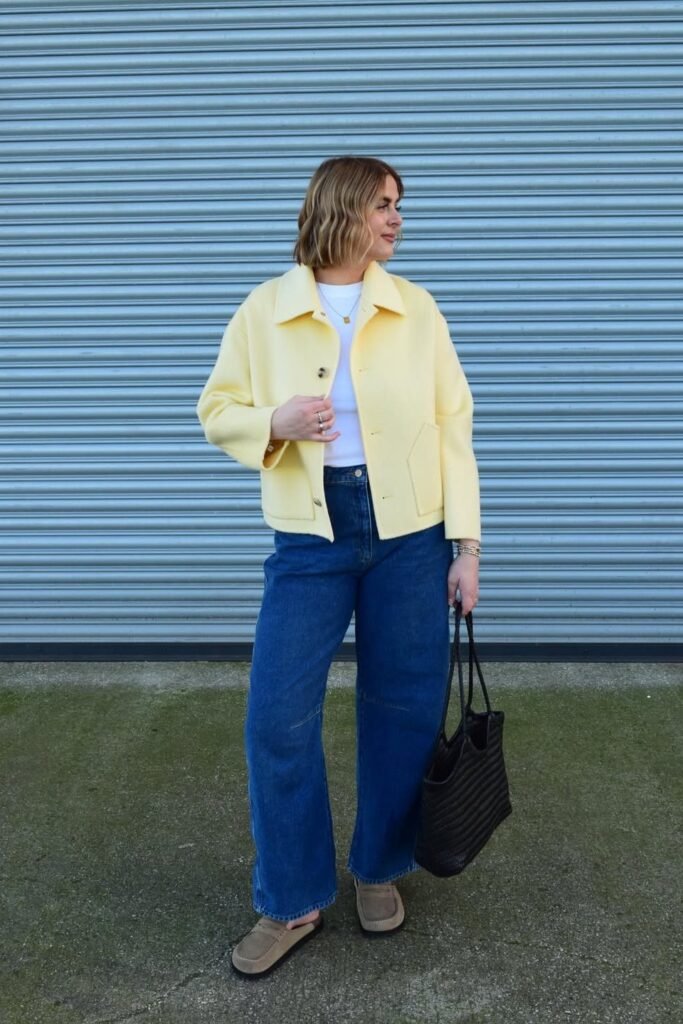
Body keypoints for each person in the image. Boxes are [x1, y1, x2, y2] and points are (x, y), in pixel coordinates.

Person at [196, 155, 481, 978]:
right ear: (341, 209)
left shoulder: (415, 308)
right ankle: (291, 898)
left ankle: (378, 868)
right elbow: (216, 408)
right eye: (382, 205)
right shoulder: (267, 308)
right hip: (309, 535)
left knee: (402, 710)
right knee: (276, 717)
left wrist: (465, 548)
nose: (396, 219)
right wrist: (274, 421)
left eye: (399, 205)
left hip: (411, 535)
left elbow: (452, 425)